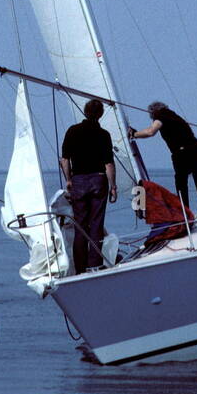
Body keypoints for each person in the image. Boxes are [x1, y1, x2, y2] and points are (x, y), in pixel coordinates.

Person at [129, 102, 197, 241]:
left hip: (183, 155)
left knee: (181, 192)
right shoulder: (175, 117)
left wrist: (134, 134)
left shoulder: (160, 117)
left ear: (153, 113)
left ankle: (185, 224)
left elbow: (150, 131)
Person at [60, 100, 117, 273]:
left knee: (80, 226)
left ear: (85, 112)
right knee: (96, 224)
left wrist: (69, 179)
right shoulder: (104, 134)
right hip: (98, 180)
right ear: (100, 114)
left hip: (79, 181)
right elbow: (109, 164)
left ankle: (80, 268)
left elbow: (64, 159)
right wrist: (113, 186)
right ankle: (95, 264)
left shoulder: (72, 131)